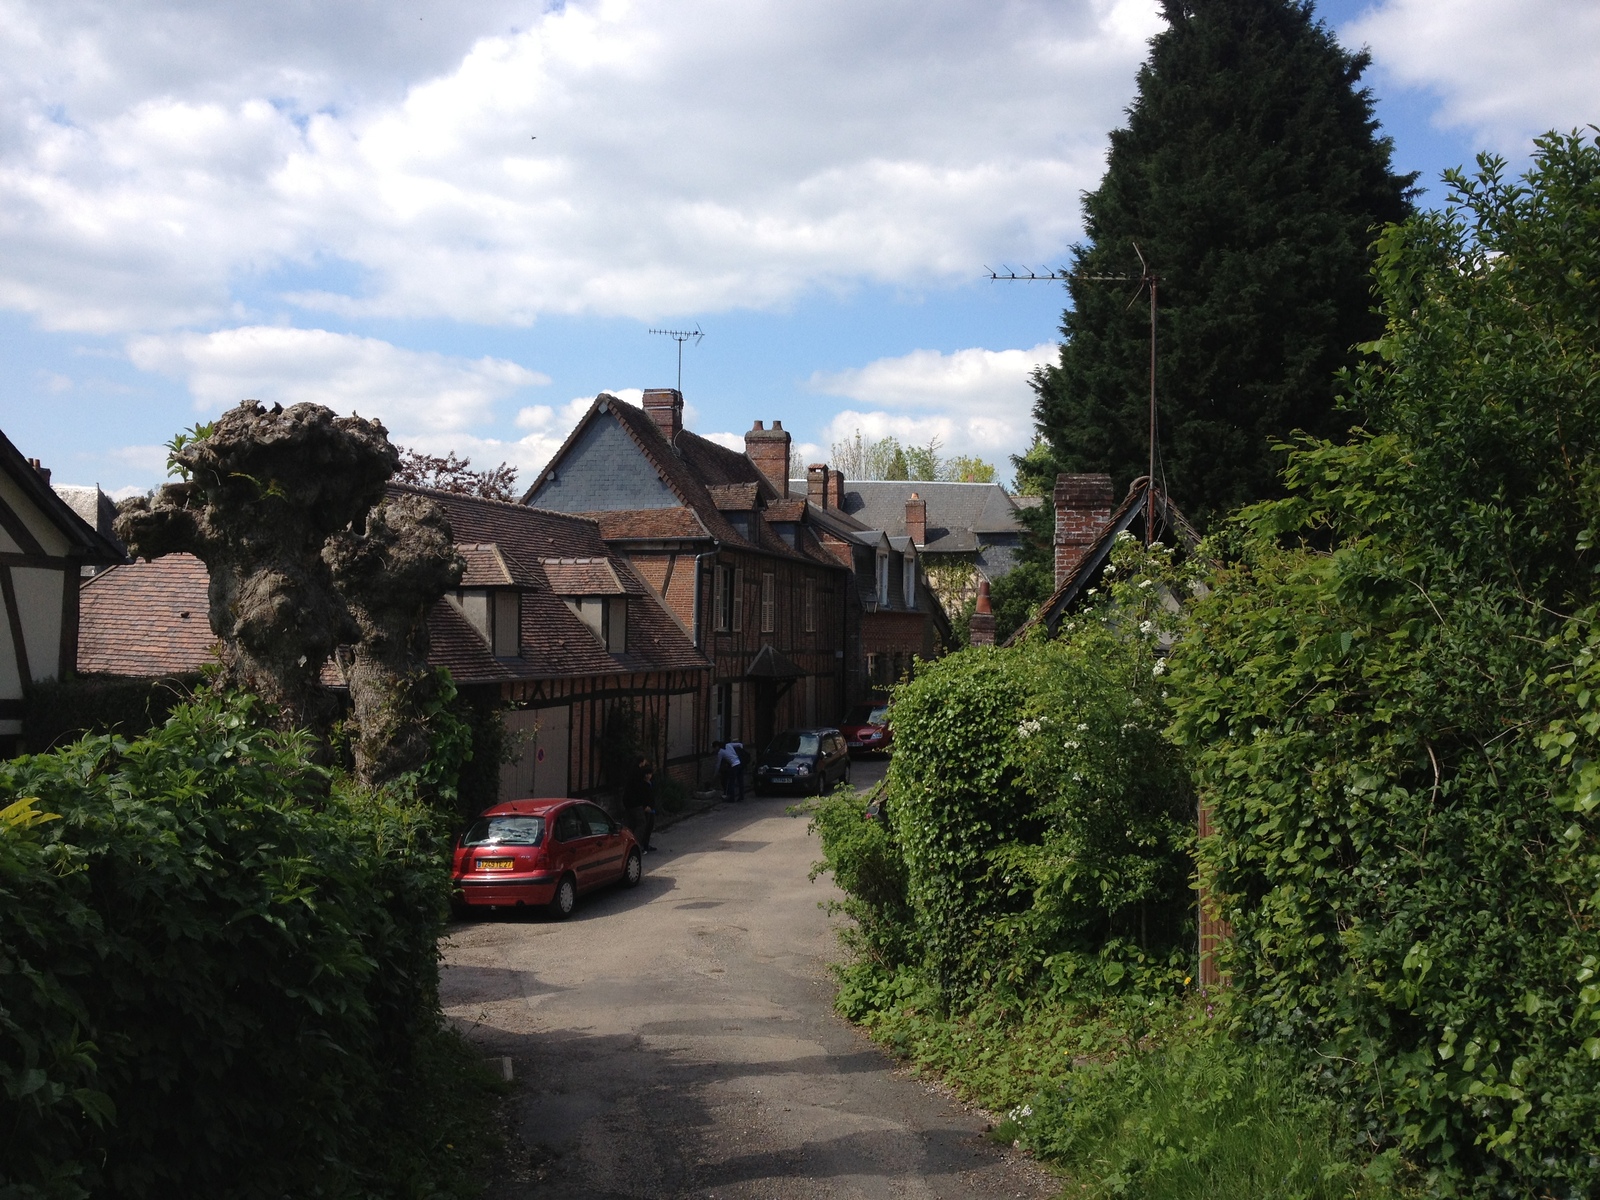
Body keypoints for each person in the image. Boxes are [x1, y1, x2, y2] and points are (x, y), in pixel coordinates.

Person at [624, 756, 658, 852]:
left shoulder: (633, 772)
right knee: (641, 824)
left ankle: (640, 845)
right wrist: (645, 805)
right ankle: (635, 846)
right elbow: (641, 793)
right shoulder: (638, 774)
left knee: (632, 824)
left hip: (629, 802)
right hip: (636, 803)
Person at [714, 739, 745, 803]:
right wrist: (741, 752)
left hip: (734, 765)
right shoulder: (728, 745)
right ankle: (741, 797)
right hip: (739, 763)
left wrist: (715, 774)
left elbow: (718, 764)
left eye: (714, 748)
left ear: (717, 746)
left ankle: (732, 798)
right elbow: (740, 744)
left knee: (731, 782)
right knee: (740, 781)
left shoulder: (720, 752)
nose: (715, 750)